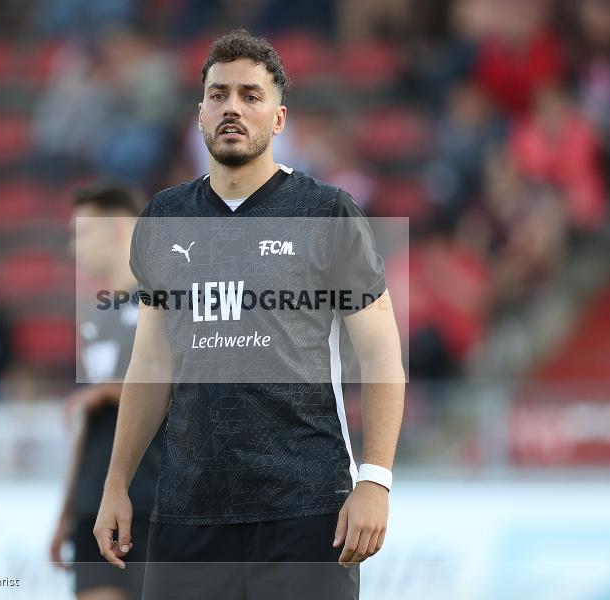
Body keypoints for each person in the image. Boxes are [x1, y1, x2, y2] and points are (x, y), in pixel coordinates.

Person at [93, 30, 406, 600]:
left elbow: (383, 353)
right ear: (200, 114)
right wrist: (117, 483)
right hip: (188, 515)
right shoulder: (164, 217)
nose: (232, 107)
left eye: (250, 95)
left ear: (279, 118)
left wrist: (376, 480)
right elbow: (150, 364)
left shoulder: (326, 212)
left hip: (308, 514)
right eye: (218, 95)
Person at [50, 184, 163, 600]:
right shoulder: (96, 318)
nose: (71, 248)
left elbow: (189, 392)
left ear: (117, 228)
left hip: (154, 500)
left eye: (80, 233)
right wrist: (66, 512)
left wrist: (112, 391)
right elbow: (90, 424)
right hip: (93, 506)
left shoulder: (166, 304)